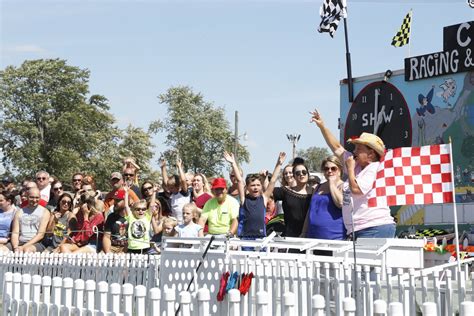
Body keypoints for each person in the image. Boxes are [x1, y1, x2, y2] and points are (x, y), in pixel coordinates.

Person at [311, 110, 395, 239]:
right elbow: (337, 147)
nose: (354, 152)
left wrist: (350, 169)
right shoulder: (357, 165)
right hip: (361, 228)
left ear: (371, 154)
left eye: (359, 149)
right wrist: (322, 126)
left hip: (374, 227)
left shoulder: (375, 168)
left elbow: (356, 190)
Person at [224, 151, 283, 241]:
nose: (255, 188)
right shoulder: (244, 199)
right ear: (247, 187)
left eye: (258, 185)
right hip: (245, 237)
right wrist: (233, 163)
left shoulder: (264, 198)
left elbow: (273, 181)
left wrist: (279, 164)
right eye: (252, 185)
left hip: (260, 237)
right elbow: (239, 180)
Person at [301, 156, 346, 240]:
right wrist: (304, 232)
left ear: (339, 170)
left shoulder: (343, 186)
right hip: (312, 236)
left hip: (334, 237)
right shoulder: (318, 187)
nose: (329, 171)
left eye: (333, 168)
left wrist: (331, 183)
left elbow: (340, 203)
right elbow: (310, 211)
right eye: (326, 169)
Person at [273, 156, 313, 237]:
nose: (301, 174)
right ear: (294, 176)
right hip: (290, 236)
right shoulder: (286, 191)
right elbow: (268, 192)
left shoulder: (316, 192)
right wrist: (278, 165)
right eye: (298, 173)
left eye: (304, 172)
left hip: (311, 236)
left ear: (308, 174)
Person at [59, 189, 104, 253]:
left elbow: (88, 234)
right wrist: (74, 239)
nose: (79, 205)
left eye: (80, 203)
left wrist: (86, 217)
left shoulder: (98, 216)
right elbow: (78, 231)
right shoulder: (80, 214)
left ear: (86, 205)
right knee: (63, 247)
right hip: (80, 243)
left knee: (75, 254)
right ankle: (70, 263)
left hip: (92, 244)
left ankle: (71, 262)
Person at [7, 188, 50, 253]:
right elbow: (15, 233)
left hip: (36, 243)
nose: (34, 200)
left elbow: (40, 235)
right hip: (20, 242)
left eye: (37, 197)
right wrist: (15, 247)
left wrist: (24, 246)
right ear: (27, 197)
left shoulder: (45, 212)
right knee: (1, 249)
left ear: (40, 197)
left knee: (27, 250)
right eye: (31, 197)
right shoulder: (19, 212)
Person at [161, 158, 190, 224]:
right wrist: (163, 168)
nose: (169, 189)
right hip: (176, 223)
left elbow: (183, 181)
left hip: (185, 222)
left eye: (171, 188)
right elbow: (166, 181)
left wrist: (179, 167)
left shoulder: (183, 193)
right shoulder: (173, 194)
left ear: (178, 186)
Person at [102, 189, 129, 254]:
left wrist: (123, 252)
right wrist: (108, 252)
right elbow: (106, 237)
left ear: (125, 201)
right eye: (115, 200)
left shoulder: (132, 217)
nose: (115, 202)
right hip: (112, 247)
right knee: (99, 259)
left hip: (127, 248)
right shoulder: (111, 216)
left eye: (118, 200)